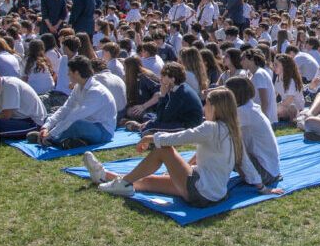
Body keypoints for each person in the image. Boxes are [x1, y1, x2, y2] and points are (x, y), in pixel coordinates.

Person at [82, 88, 282, 204]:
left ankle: (121, 183)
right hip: (210, 192)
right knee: (147, 182)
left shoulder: (211, 128)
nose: (204, 108)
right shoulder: (231, 130)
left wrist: (149, 138)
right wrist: (262, 188)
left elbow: (179, 137)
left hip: (201, 191)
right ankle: (104, 175)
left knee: (163, 150)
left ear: (216, 108)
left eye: (207, 105)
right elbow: (245, 163)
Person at [28, 56, 116, 149]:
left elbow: (75, 116)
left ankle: (52, 140)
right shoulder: (78, 87)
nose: (68, 74)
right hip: (85, 123)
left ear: (76, 73)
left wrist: (51, 134)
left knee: (75, 123)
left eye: (69, 72)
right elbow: (66, 108)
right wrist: (46, 127)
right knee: (49, 117)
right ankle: (69, 141)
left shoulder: (96, 91)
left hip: (102, 131)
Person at [226, 76, 282, 186]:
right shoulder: (250, 107)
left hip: (266, 174)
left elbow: (218, 130)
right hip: (270, 170)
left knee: (226, 146)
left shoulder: (245, 112)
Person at [124, 61, 203, 133]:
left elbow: (164, 118)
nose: (160, 79)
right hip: (177, 118)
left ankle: (140, 127)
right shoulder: (176, 88)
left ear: (172, 79)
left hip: (187, 125)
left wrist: (162, 95)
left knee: (150, 128)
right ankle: (144, 125)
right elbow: (163, 114)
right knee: (149, 116)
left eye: (163, 77)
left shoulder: (180, 93)